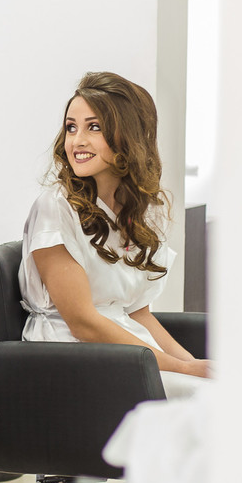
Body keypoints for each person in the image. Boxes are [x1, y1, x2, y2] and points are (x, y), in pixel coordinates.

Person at [19, 71, 209, 399]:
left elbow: (137, 313)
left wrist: (192, 363)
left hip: (127, 350)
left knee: (222, 391)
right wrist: (184, 370)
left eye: (94, 127)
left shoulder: (139, 209)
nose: (77, 141)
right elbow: (83, 323)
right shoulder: (55, 207)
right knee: (214, 403)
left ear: (128, 136)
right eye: (71, 127)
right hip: (73, 356)